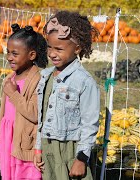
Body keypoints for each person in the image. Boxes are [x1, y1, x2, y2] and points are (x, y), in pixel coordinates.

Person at [33, 11, 100, 180]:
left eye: (59, 49)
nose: (52, 53)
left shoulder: (84, 82)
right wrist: (39, 148)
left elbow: (89, 124)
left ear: (77, 48)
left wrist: (81, 158)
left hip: (70, 150)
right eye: (49, 47)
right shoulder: (46, 76)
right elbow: (42, 118)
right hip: (49, 149)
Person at [0, 24, 48, 180]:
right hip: (8, 137)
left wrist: (13, 94)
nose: (9, 57)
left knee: (25, 175)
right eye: (8, 52)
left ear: (32, 55)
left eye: (15, 54)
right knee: (8, 174)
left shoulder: (38, 80)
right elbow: (3, 112)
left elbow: (34, 113)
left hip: (25, 140)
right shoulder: (9, 79)